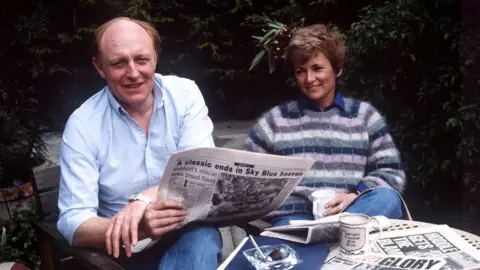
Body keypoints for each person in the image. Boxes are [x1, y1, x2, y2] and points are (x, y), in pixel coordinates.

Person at [57, 17, 221, 269]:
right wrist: (137, 228)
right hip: (126, 251)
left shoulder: (185, 95)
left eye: (141, 59)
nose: (133, 73)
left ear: (155, 58)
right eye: (118, 63)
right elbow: (73, 221)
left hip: (186, 233)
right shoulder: (83, 125)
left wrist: (143, 200)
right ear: (99, 67)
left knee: (203, 239)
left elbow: (200, 170)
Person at [244, 24, 409, 227]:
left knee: (387, 199)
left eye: (317, 68)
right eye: (300, 71)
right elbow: (246, 178)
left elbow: (391, 171)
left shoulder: (365, 116)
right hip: (294, 219)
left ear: (337, 69)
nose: (309, 79)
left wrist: (355, 195)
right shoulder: (274, 121)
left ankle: (327, 240)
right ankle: (330, 241)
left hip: (351, 213)